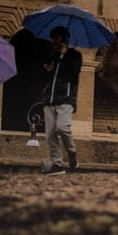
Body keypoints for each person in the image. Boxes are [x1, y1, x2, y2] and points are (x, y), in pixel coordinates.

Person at [41, 26, 82, 175]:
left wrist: (64, 58)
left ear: (64, 39)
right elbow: (44, 77)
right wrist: (46, 69)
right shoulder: (52, 56)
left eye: (57, 39)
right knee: (50, 134)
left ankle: (71, 152)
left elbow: (73, 73)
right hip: (49, 99)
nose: (54, 42)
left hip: (66, 98)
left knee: (62, 128)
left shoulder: (75, 55)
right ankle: (57, 164)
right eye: (53, 39)